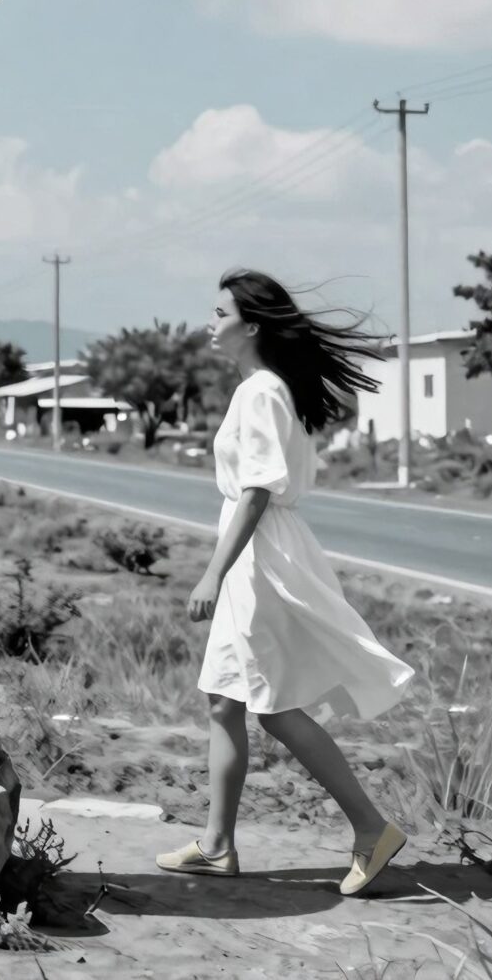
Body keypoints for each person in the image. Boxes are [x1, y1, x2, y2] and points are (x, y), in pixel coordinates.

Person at [157, 269, 416, 896]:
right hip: (260, 550)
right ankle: (218, 844)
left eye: (217, 312)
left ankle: (371, 830)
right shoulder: (261, 387)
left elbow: (257, 491)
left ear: (251, 325)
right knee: (226, 698)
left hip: (259, 555)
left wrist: (215, 572)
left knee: (269, 705)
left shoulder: (263, 391)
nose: (207, 322)